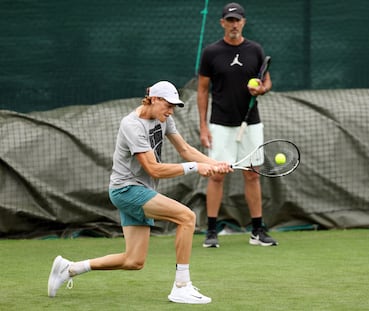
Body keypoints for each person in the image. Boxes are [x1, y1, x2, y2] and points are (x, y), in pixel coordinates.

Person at [47, 81, 232, 304]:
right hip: (126, 190)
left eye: (174, 106)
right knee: (187, 217)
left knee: (134, 261)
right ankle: (181, 286)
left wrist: (215, 164)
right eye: (168, 105)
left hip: (141, 189)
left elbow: (185, 150)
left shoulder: (164, 119)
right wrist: (195, 167)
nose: (171, 110)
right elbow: (153, 169)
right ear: (153, 99)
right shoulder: (132, 125)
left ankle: (70, 268)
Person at [197, 3, 278, 248]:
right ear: (222, 23)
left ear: (243, 22)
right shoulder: (211, 52)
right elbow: (202, 90)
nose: (234, 24)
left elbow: (266, 82)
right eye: (229, 20)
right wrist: (203, 126)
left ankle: (257, 231)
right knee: (217, 176)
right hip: (220, 124)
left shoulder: (255, 49)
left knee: (252, 175)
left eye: (237, 20)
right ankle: (211, 231)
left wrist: (261, 89)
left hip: (251, 123)